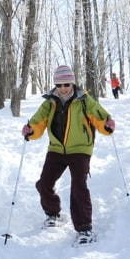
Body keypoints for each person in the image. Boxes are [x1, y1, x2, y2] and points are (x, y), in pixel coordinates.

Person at [21, 65, 115, 245]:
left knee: (78, 186)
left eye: (67, 84)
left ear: (72, 83)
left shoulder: (84, 100)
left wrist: (107, 124)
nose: (64, 88)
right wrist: (30, 130)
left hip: (80, 149)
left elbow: (100, 116)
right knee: (44, 183)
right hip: (56, 149)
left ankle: (84, 229)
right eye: (60, 84)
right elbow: (38, 122)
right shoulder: (49, 102)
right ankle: (53, 213)